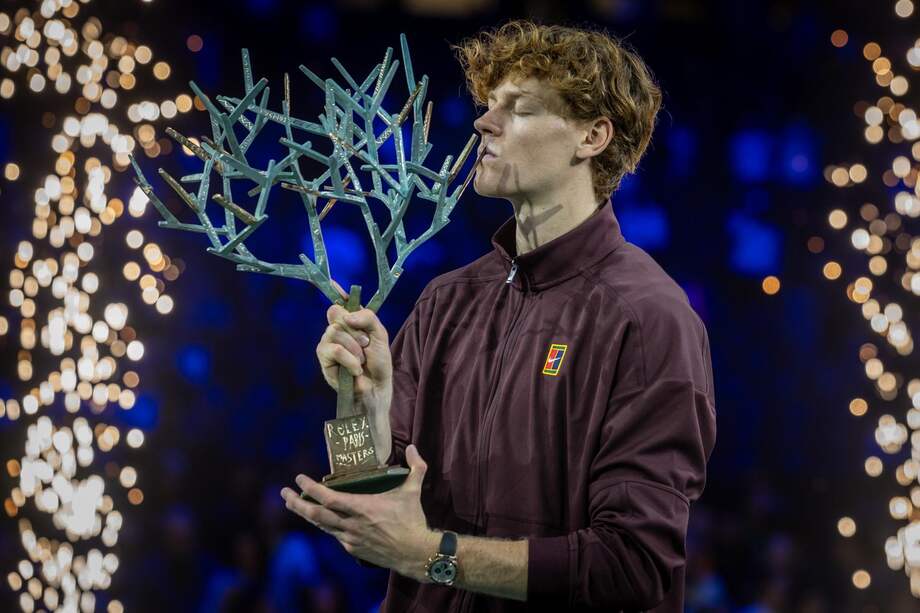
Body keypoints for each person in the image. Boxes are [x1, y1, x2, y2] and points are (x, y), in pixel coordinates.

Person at [281, 19, 717, 612]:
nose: (484, 123)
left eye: (520, 109)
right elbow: (371, 519)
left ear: (592, 136)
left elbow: (632, 566)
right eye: (489, 106)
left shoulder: (648, 318)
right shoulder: (447, 300)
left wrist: (432, 555)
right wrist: (361, 405)